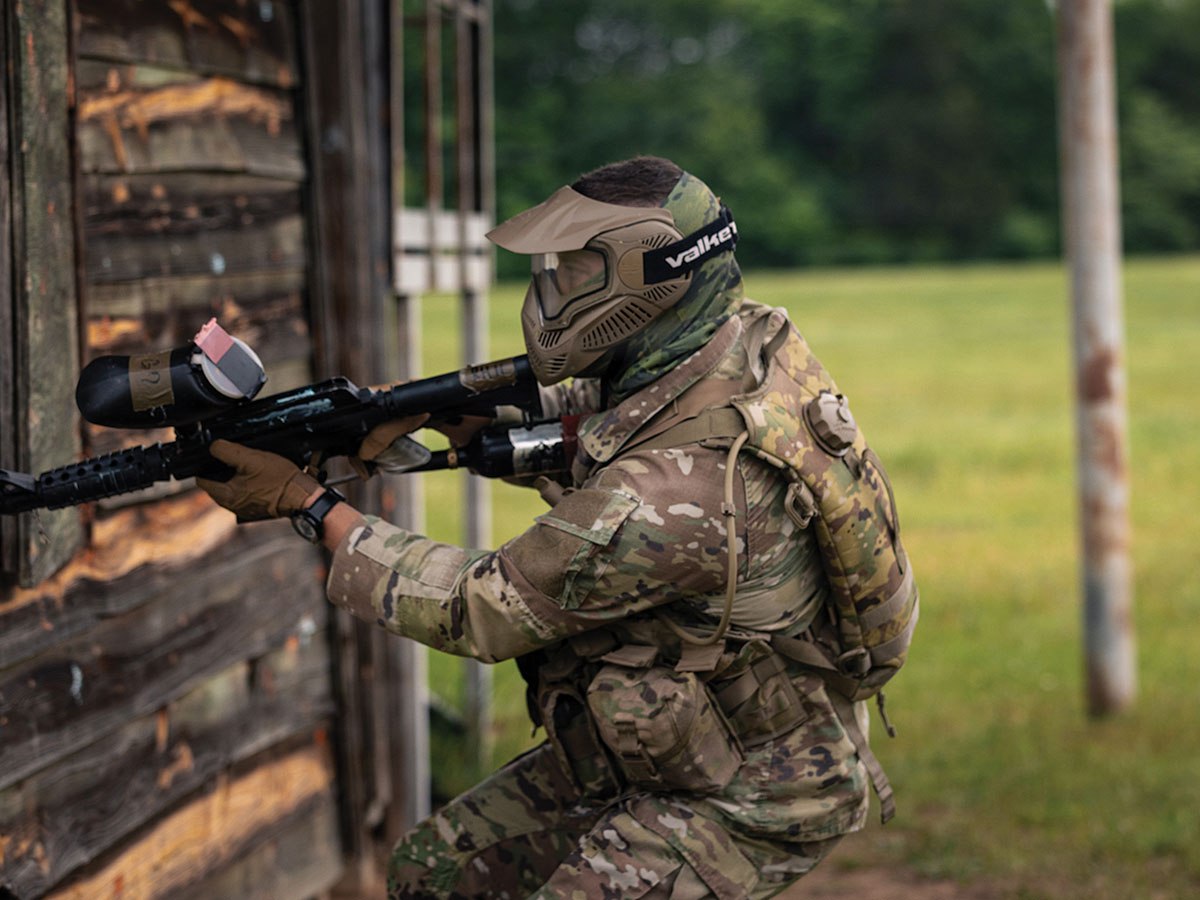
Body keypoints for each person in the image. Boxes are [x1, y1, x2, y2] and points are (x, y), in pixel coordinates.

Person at [198, 156, 916, 899]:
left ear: (647, 284)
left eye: (574, 272)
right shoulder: (741, 341)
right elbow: (615, 421)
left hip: (753, 794)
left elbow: (480, 608)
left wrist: (309, 505)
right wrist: (450, 420)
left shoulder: (677, 498)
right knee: (436, 873)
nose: (548, 291)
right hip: (675, 740)